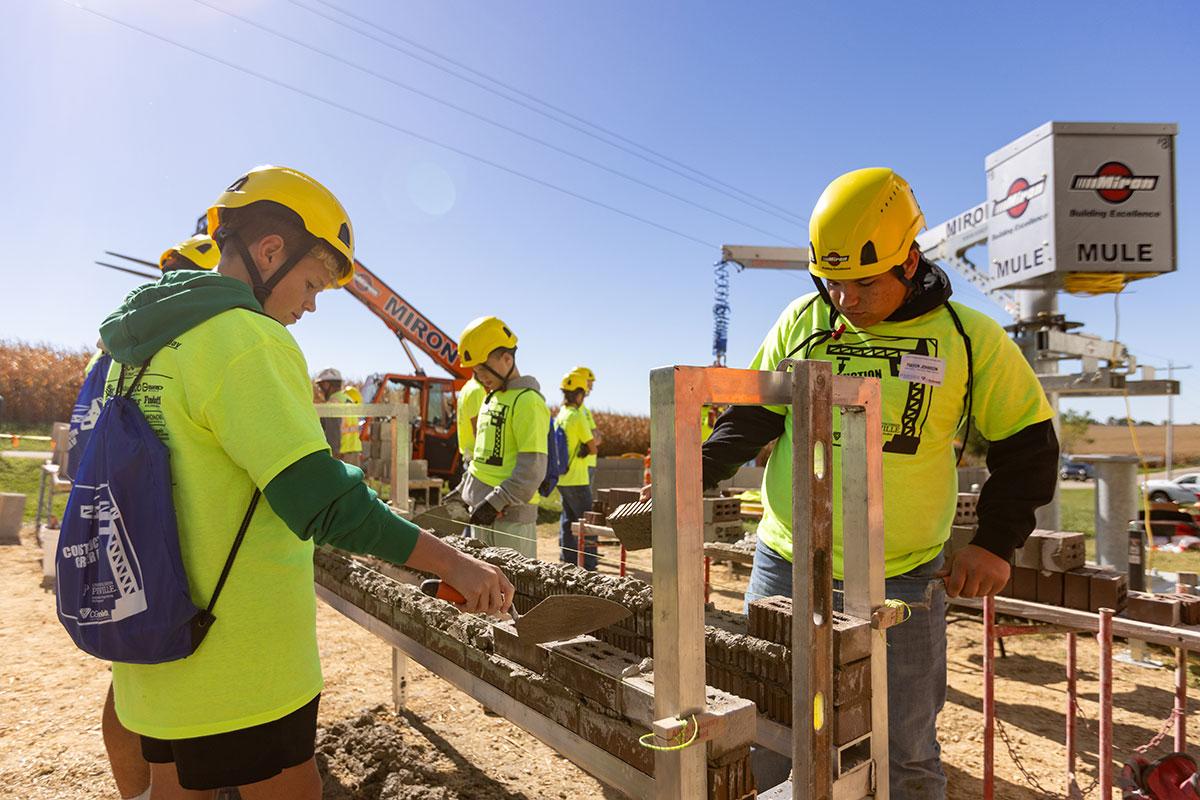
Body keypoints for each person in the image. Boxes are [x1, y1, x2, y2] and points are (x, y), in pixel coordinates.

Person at [99, 165, 512, 799]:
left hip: (158, 642)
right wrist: (455, 565)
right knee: (295, 790)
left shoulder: (136, 349)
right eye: (313, 282)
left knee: (175, 789)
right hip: (239, 656)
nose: (311, 305)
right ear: (270, 252)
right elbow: (324, 502)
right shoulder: (245, 339)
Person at [692, 168, 1059, 797]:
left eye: (863, 282)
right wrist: (689, 474)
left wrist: (996, 542)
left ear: (910, 261)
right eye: (832, 282)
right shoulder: (802, 318)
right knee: (777, 733)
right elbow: (753, 415)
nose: (846, 299)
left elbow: (1028, 446)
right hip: (787, 564)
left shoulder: (971, 338)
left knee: (903, 750)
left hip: (904, 578)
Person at [457, 316, 549, 560]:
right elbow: (483, 459)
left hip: (510, 520)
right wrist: (462, 489)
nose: (481, 378)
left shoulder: (528, 402)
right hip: (483, 513)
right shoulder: (491, 399)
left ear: (507, 359)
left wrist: (495, 502)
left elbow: (532, 470)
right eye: (476, 372)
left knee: (514, 590)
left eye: (484, 370)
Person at [556, 371, 597, 569]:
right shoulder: (577, 416)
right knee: (588, 523)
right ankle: (589, 564)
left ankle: (569, 560)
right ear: (579, 394)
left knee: (568, 521)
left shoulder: (560, 415)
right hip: (578, 479)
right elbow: (593, 447)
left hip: (563, 478)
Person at [570, 366, 602, 487]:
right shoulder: (574, 411)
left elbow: (597, 436)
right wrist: (590, 437)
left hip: (589, 463)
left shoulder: (585, 410)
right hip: (578, 465)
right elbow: (592, 438)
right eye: (589, 383)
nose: (591, 388)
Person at [314, 367, 345, 458]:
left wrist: (333, 455)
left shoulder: (333, 403)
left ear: (327, 385)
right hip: (353, 450)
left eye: (320, 386)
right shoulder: (347, 399)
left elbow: (333, 433)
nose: (319, 390)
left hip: (340, 453)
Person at [455, 376, 487, 466]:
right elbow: (479, 428)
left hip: (468, 452)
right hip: (477, 455)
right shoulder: (476, 390)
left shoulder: (466, 388)